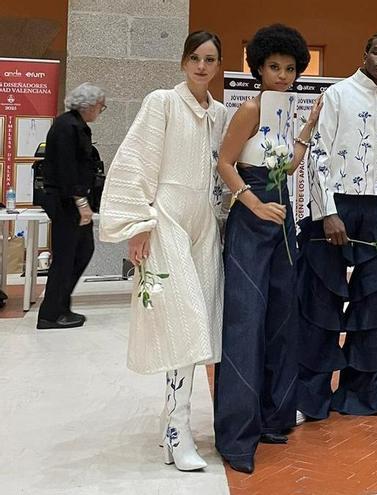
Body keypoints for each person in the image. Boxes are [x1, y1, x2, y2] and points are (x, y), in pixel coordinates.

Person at [98, 31, 227, 471]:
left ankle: (172, 422)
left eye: (210, 59)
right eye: (195, 57)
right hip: (165, 222)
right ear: (182, 60)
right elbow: (136, 159)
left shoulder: (221, 114)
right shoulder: (162, 102)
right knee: (185, 324)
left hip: (204, 226)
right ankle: (179, 427)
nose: (202, 66)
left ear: (218, 65)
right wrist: (138, 225)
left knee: (199, 327)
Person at [213, 24, 319, 474]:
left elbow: (287, 166)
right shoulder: (251, 108)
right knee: (244, 323)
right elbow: (224, 163)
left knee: (280, 319)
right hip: (252, 219)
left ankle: (272, 418)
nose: (282, 75)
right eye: (274, 67)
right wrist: (253, 203)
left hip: (281, 221)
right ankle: (237, 437)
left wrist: (306, 131)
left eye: (290, 68)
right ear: (257, 67)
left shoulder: (286, 110)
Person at [297, 32, 377, 419]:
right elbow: (318, 154)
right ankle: (308, 398)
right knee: (320, 303)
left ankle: (374, 392)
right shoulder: (336, 95)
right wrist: (328, 211)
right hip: (337, 204)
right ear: (364, 54)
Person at [37, 83, 104, 330]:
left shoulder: (75, 125)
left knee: (83, 251)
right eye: (100, 106)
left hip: (73, 203)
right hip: (67, 204)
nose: (100, 111)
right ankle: (50, 314)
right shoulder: (67, 126)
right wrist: (82, 203)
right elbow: (67, 169)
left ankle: (61, 305)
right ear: (89, 105)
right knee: (65, 258)